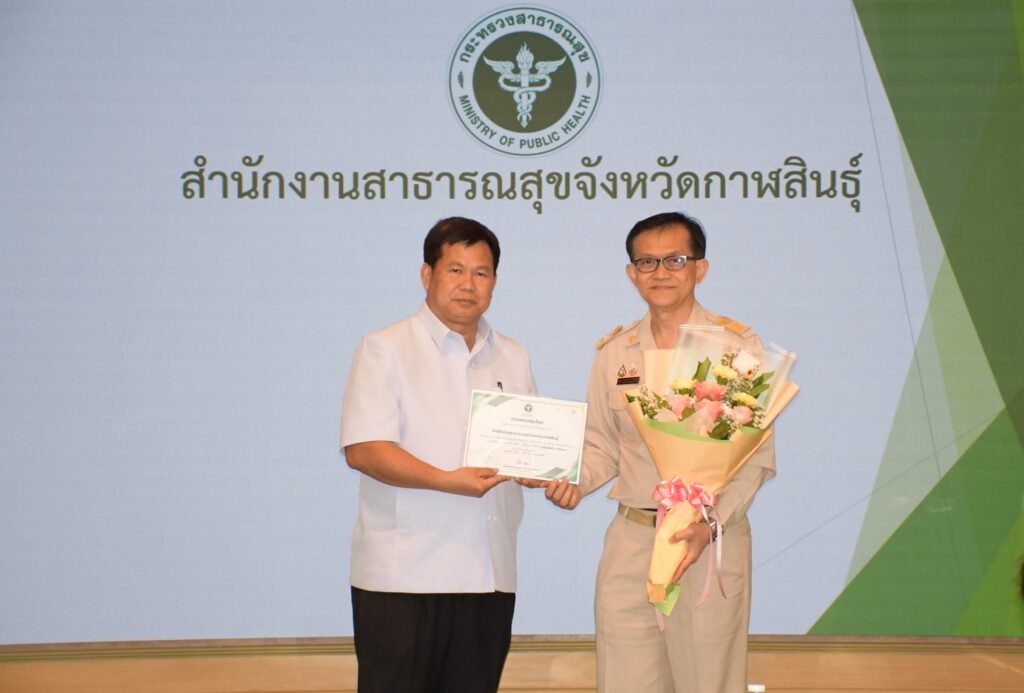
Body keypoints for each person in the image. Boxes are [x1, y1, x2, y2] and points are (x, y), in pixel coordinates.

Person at [542, 211, 777, 692]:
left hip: (707, 540)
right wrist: (572, 482)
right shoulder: (615, 352)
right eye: (647, 262)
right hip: (632, 539)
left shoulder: (737, 347)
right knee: (624, 680)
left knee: (707, 682)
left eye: (675, 260)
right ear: (632, 274)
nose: (661, 272)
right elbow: (601, 446)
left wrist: (710, 525)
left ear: (700, 268)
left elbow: (756, 457)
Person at [339, 217, 536, 693]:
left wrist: (544, 472)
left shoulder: (513, 354)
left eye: (481, 273)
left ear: (494, 281)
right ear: (427, 275)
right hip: (403, 579)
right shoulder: (386, 347)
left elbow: (527, 446)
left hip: (489, 576)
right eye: (455, 270)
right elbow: (364, 450)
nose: (469, 284)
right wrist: (448, 480)